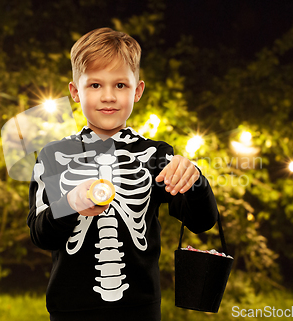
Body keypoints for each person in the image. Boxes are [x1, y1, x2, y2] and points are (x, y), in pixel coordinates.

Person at [27, 27, 218, 321]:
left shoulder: (156, 156)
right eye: (94, 85)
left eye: (120, 85)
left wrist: (196, 180)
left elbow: (201, 221)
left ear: (137, 91)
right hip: (70, 310)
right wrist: (70, 203)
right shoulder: (53, 156)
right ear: (75, 92)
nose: (108, 97)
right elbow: (40, 233)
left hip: (141, 309)